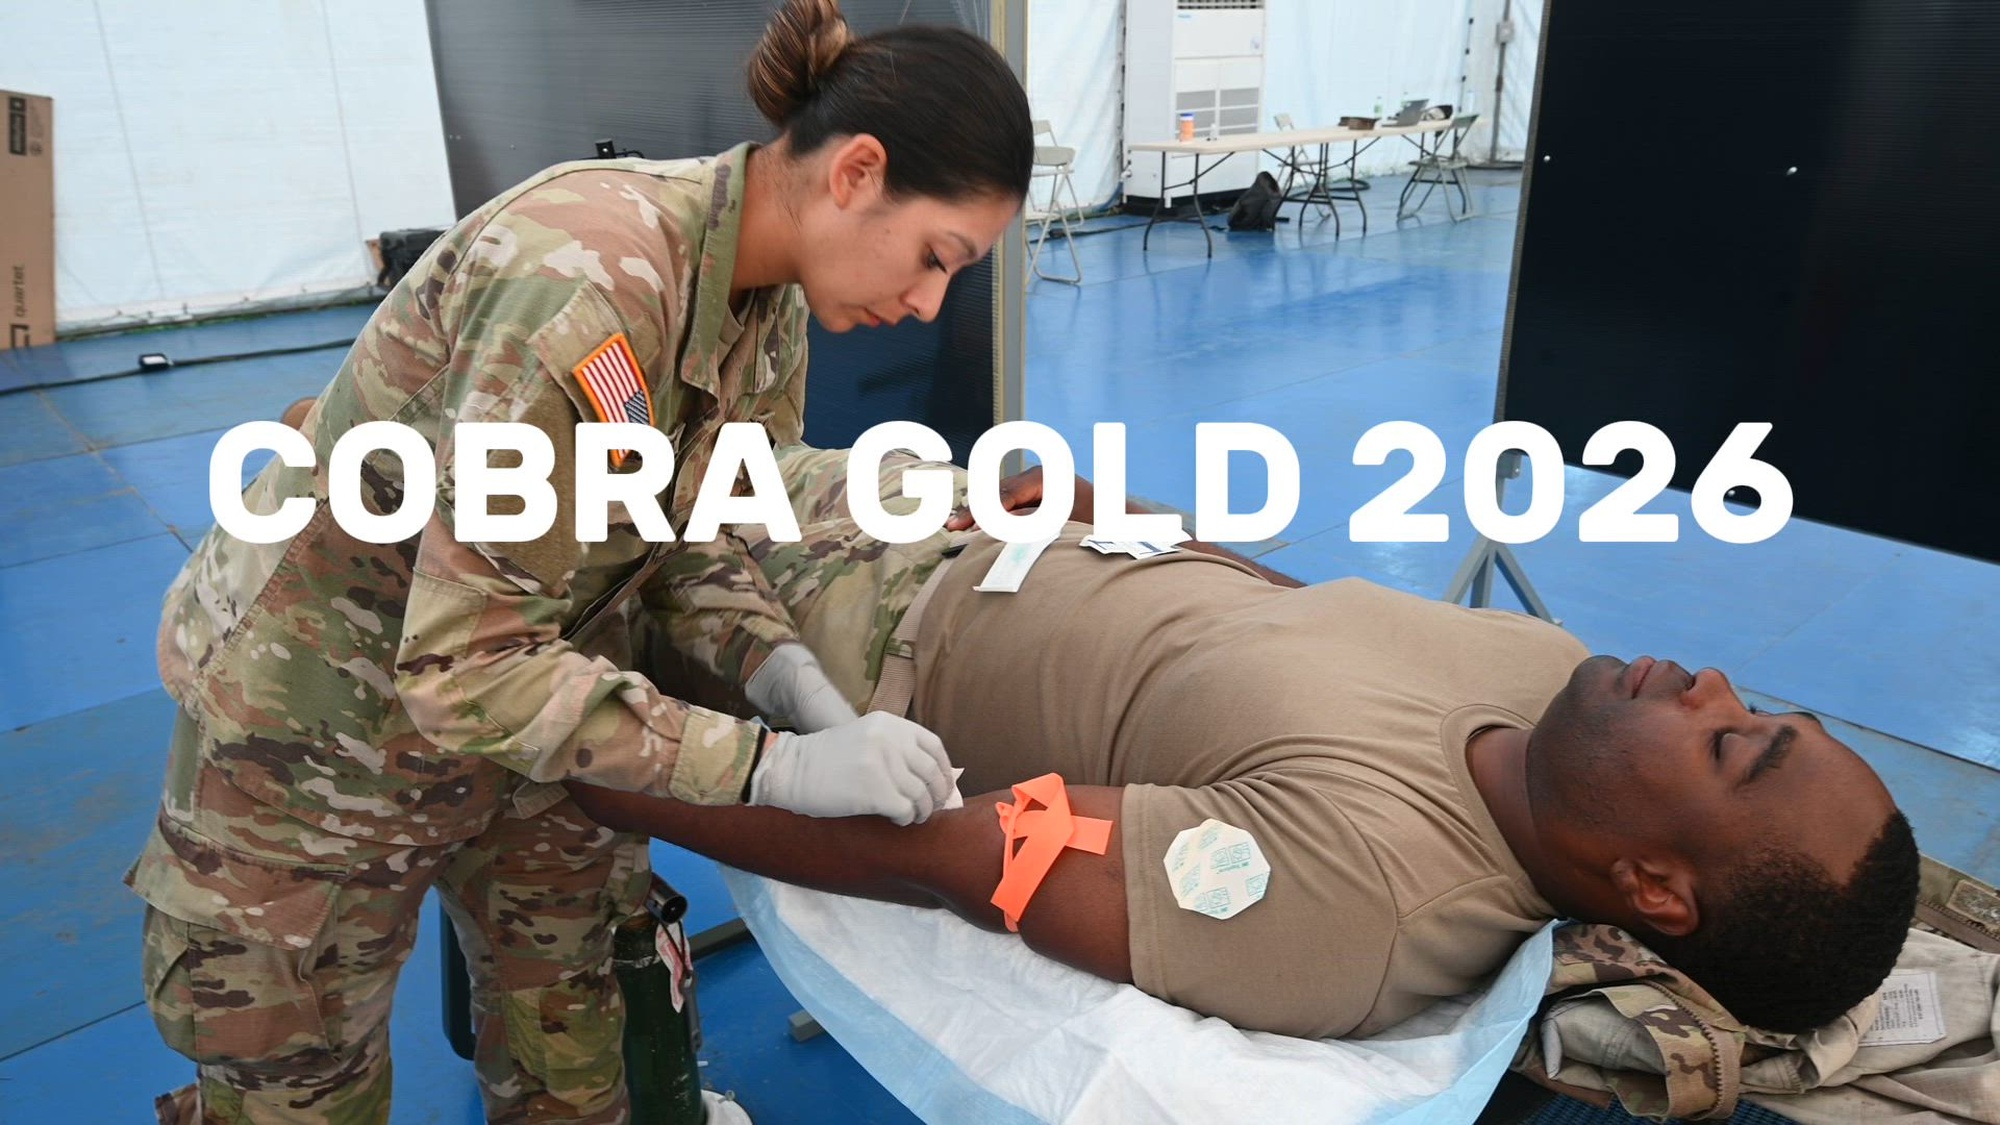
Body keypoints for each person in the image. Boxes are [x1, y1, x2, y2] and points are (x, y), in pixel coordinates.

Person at [127, 2, 1032, 1121]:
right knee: (298, 1088)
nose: (928, 302)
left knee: (578, 1054)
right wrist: (770, 771)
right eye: (935, 256)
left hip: (537, 706)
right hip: (319, 740)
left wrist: (794, 686)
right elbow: (459, 667)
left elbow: (691, 539)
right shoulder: (584, 283)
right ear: (855, 172)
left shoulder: (768, 314)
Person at [569, 446, 1923, 1042]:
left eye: (1736, 745)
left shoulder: (1359, 900)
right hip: (958, 526)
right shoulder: (1557, 679)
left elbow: (954, 852)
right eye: (1760, 708)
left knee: (481, 529)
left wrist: (628, 788)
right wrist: (1139, 525)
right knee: (612, 446)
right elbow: (1301, 619)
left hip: (846, 644)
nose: (1712, 683)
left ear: (1655, 891)